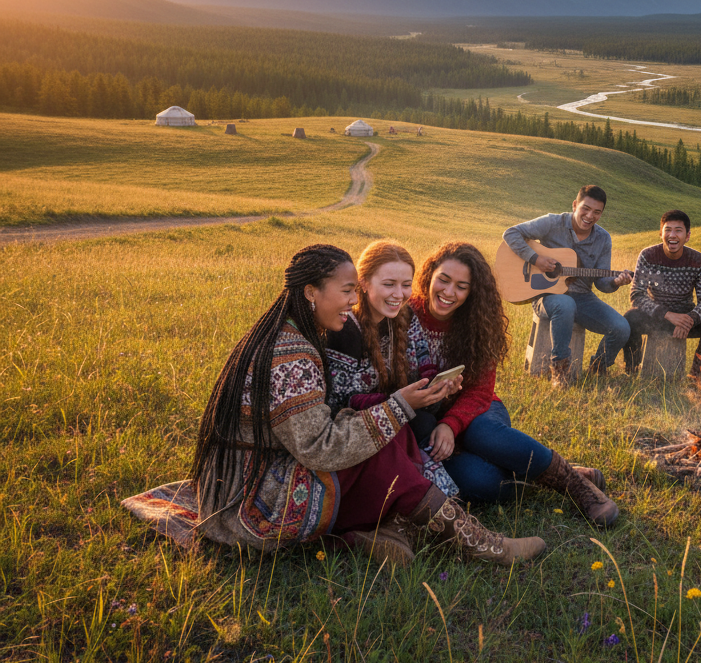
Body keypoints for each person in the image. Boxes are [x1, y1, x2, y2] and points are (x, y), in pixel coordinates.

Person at [122, 243, 545, 566]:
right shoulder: (292, 354)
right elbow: (320, 448)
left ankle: (385, 533)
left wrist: (408, 405)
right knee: (379, 446)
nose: (351, 303)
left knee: (384, 437)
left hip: (276, 466)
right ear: (311, 292)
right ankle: (479, 544)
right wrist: (397, 407)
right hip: (258, 496)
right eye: (347, 292)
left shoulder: (296, 336)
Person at [409, 241, 618, 526]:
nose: (448, 292)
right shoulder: (405, 314)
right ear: (429, 276)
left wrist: (451, 423)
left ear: (472, 292)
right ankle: (556, 473)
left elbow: (481, 391)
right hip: (429, 426)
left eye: (461, 286)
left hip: (478, 412)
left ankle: (574, 484)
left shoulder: (477, 322)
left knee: (479, 435)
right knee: (481, 483)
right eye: (443, 280)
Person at [324, 240, 459, 498]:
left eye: (406, 285)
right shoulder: (345, 329)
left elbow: (424, 364)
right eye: (389, 284)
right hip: (361, 431)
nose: (399, 294)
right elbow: (337, 402)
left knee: (426, 422)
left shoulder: (406, 317)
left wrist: (436, 388)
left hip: (404, 418)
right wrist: (399, 402)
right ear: (363, 283)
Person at [502, 185, 632, 385]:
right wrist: (535, 259)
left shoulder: (603, 238)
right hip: (545, 296)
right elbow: (511, 233)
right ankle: (560, 369)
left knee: (621, 327)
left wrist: (616, 281)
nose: (590, 216)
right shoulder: (553, 222)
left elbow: (602, 283)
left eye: (597, 212)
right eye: (585, 209)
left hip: (583, 297)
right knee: (564, 304)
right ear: (574, 205)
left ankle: (598, 368)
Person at [622, 210, 701, 377]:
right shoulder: (648, 256)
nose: (672, 235)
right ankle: (631, 370)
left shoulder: (698, 260)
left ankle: (697, 375)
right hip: (656, 315)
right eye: (667, 230)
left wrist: (689, 320)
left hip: (685, 316)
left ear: (687, 235)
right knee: (630, 319)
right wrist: (667, 315)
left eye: (678, 230)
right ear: (660, 234)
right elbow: (637, 295)